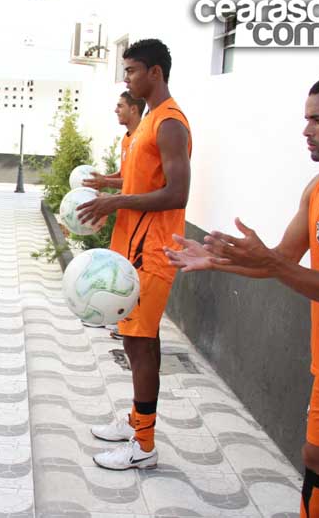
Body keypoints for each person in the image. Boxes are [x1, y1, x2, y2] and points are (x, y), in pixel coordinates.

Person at [164, 73, 319, 518]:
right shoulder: (317, 188)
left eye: (317, 119)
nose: (306, 130)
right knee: (316, 458)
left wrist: (270, 263)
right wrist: (215, 260)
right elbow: (282, 258)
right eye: (305, 119)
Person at [77, 39, 192, 470]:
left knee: (140, 345)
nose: (126, 79)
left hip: (153, 252)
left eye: (131, 71)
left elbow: (177, 193)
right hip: (132, 248)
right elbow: (138, 180)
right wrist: (108, 188)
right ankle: (136, 421)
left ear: (155, 72)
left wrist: (117, 202)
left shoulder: (170, 123)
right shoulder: (148, 122)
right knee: (137, 341)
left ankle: (143, 446)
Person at [81, 91, 146, 332]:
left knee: (134, 273)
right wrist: (103, 180)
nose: (115, 110)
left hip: (141, 218)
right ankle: (115, 316)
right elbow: (124, 176)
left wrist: (109, 188)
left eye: (120, 106)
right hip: (125, 215)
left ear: (134, 109)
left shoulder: (145, 137)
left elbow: (138, 183)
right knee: (118, 267)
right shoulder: (128, 140)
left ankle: (130, 324)